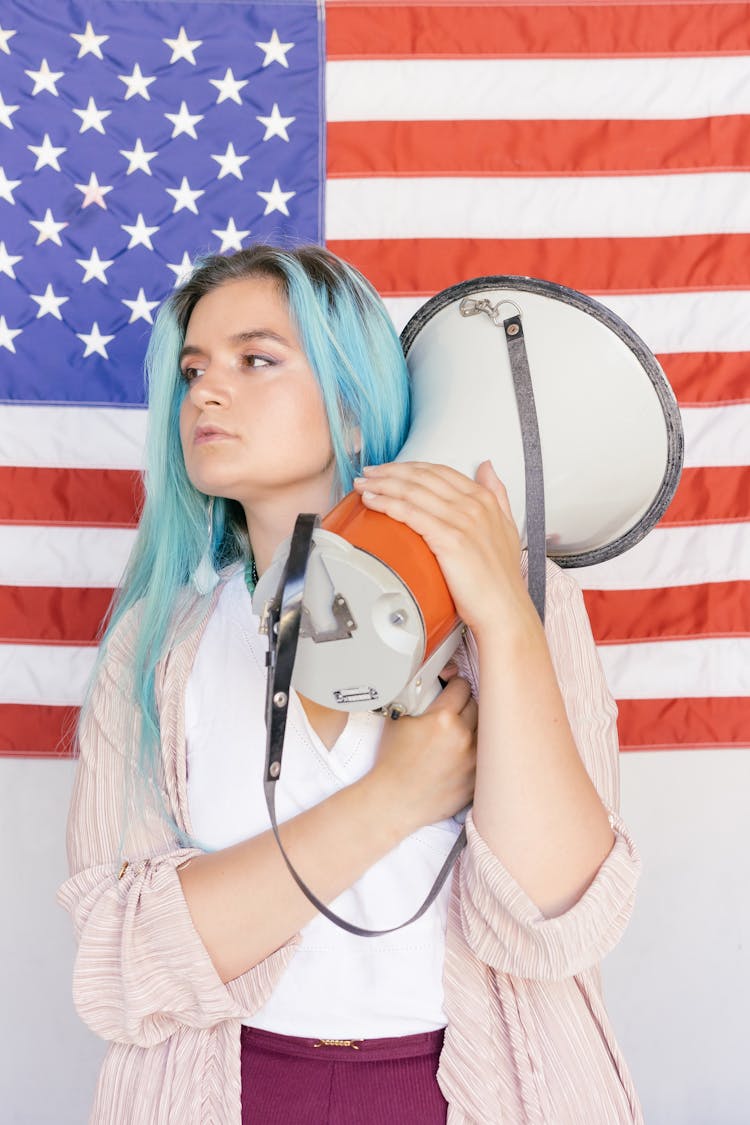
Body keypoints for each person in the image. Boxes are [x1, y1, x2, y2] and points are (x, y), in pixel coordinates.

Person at [58, 244, 644, 1124]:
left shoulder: (523, 601)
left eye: (255, 359)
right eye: (192, 369)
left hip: (471, 1092)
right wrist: (396, 796)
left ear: (354, 407)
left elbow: (559, 919)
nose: (206, 392)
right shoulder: (156, 647)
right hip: (232, 1092)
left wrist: (510, 623)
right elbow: (126, 957)